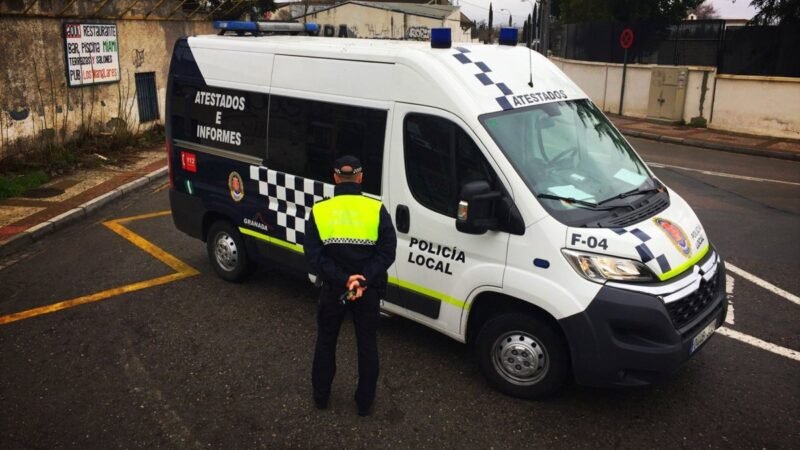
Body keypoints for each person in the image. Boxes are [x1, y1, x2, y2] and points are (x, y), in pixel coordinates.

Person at [304, 155, 397, 416]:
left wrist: (344, 279)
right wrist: (362, 279)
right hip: (366, 291)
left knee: (326, 341)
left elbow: (314, 255)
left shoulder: (321, 210)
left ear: (334, 178)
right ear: (360, 178)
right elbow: (387, 251)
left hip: (334, 290)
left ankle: (321, 397)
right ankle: (364, 403)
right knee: (367, 345)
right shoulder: (376, 209)